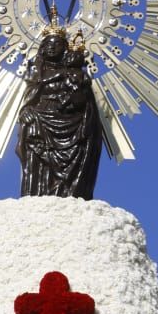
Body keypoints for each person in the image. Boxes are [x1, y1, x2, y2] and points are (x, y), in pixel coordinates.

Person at [15, 18, 103, 199]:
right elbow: (29, 100)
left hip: (72, 121)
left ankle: (70, 192)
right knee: (31, 129)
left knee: (80, 146)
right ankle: (36, 195)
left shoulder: (75, 72)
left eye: (56, 44)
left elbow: (82, 103)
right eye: (48, 44)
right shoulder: (36, 72)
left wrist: (75, 83)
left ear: (65, 48)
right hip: (42, 121)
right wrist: (25, 111)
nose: (51, 47)